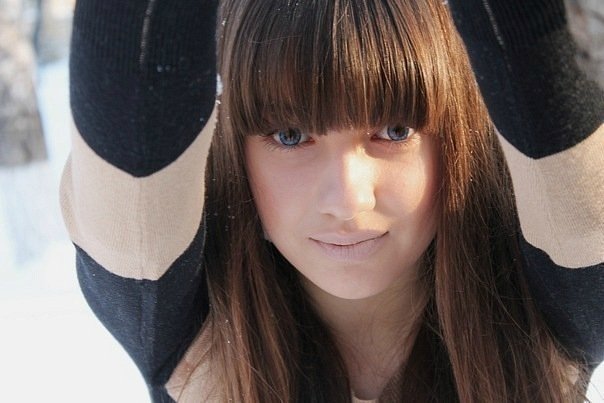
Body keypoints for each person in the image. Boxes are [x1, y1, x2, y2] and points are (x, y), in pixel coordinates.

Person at [60, 0, 603, 401]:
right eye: (291, 136)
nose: (347, 199)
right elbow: (135, 85)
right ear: (235, 151)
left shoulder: (543, 304)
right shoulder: (195, 323)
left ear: (454, 136)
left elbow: (567, 150)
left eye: (394, 130)